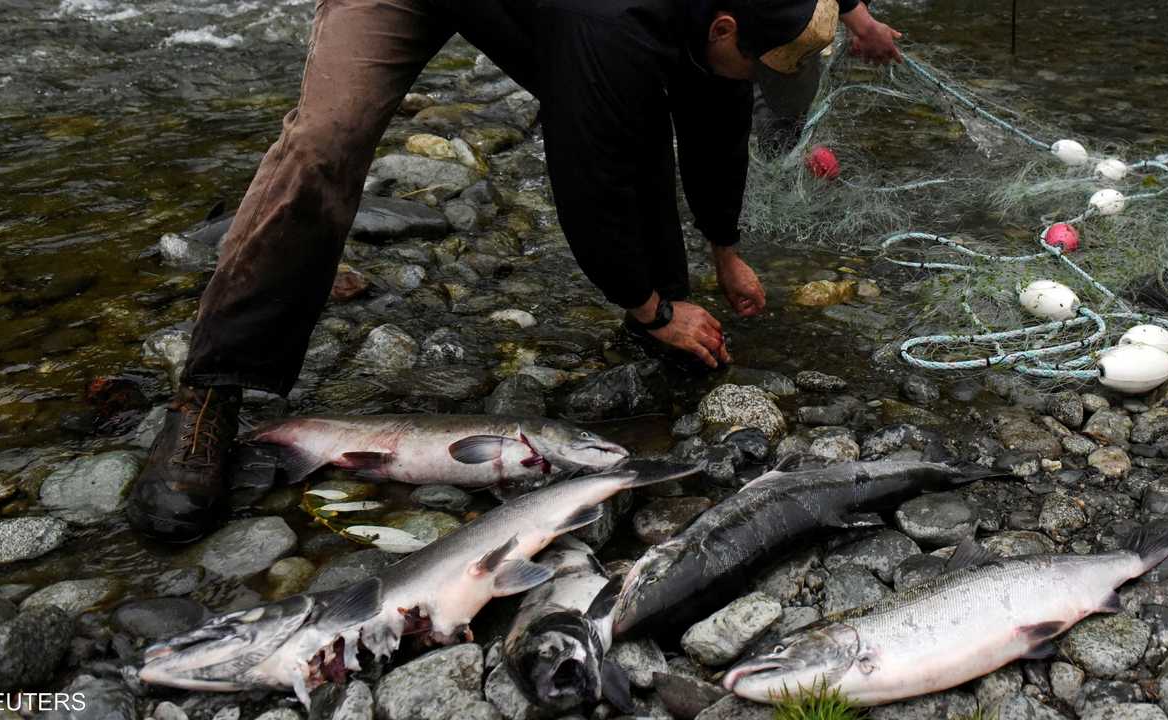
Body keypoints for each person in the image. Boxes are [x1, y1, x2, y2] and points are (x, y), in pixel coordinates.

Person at [126, 0, 903, 542]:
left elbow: (714, 113)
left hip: (552, 12)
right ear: (727, 22)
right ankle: (211, 390)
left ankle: (662, 305)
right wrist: (650, 309)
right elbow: (587, 174)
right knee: (327, 141)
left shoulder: (721, 18)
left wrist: (723, 246)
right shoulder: (611, 24)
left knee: (662, 91)